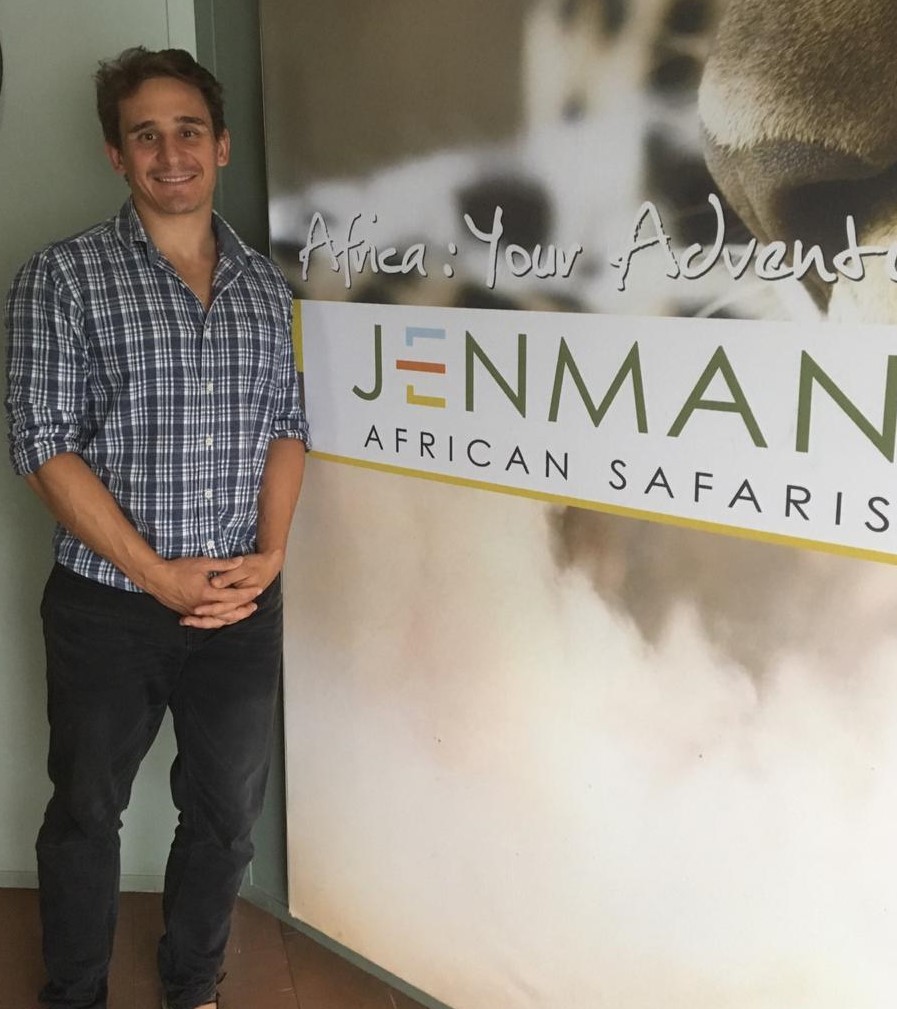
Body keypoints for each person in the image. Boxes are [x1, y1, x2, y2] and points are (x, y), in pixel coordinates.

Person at [4, 46, 309, 1009]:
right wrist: (156, 575)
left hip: (239, 608)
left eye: (188, 130)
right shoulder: (62, 277)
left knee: (225, 820)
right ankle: (75, 993)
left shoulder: (265, 287)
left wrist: (271, 555)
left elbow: (287, 427)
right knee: (86, 812)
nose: (169, 153)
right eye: (146, 134)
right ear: (116, 154)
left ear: (220, 146)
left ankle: (192, 987)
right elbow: (41, 445)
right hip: (107, 608)